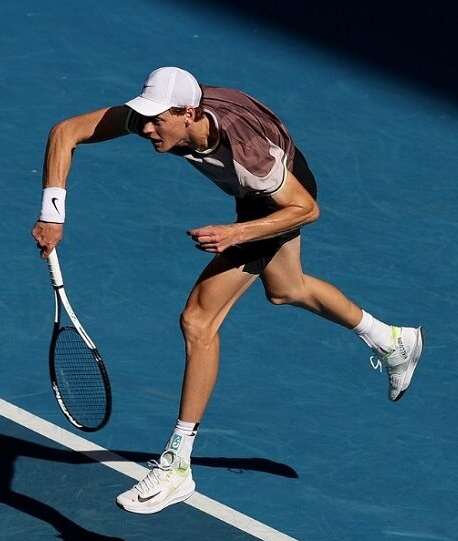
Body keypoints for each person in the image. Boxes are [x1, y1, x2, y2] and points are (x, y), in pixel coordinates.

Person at [32, 67, 424, 514]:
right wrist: (53, 214)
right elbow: (66, 132)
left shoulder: (250, 157)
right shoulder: (165, 115)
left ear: (189, 113)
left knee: (198, 320)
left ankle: (177, 462)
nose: (145, 128)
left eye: (157, 120)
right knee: (286, 289)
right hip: (258, 189)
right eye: (145, 117)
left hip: (278, 198)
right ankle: (392, 340)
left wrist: (236, 234)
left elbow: (306, 209)